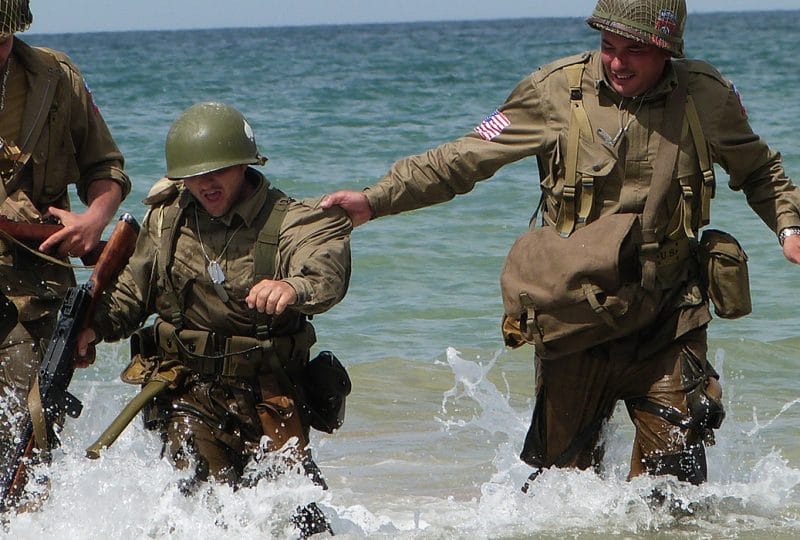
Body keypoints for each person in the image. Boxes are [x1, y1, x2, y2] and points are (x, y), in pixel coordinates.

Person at [321, 0, 800, 487]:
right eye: (608, 46)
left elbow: (760, 170)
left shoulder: (706, 96)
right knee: (562, 486)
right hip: (577, 318)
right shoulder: (553, 90)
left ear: (667, 48)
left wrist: (789, 227)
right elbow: (463, 157)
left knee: (675, 488)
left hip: (669, 314)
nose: (617, 62)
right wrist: (374, 200)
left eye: (634, 50)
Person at [76, 101, 352, 536]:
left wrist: (292, 288)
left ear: (244, 165)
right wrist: (94, 327)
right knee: (196, 510)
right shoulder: (166, 221)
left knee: (300, 518)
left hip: (272, 395)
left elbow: (326, 272)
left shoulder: (293, 221)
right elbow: (132, 292)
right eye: (194, 175)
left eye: (218, 171)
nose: (206, 183)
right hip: (191, 390)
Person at [0, 0, 129, 462]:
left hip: (39, 289)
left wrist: (96, 218)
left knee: (30, 442)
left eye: (3, 39)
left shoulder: (56, 78)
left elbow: (104, 166)